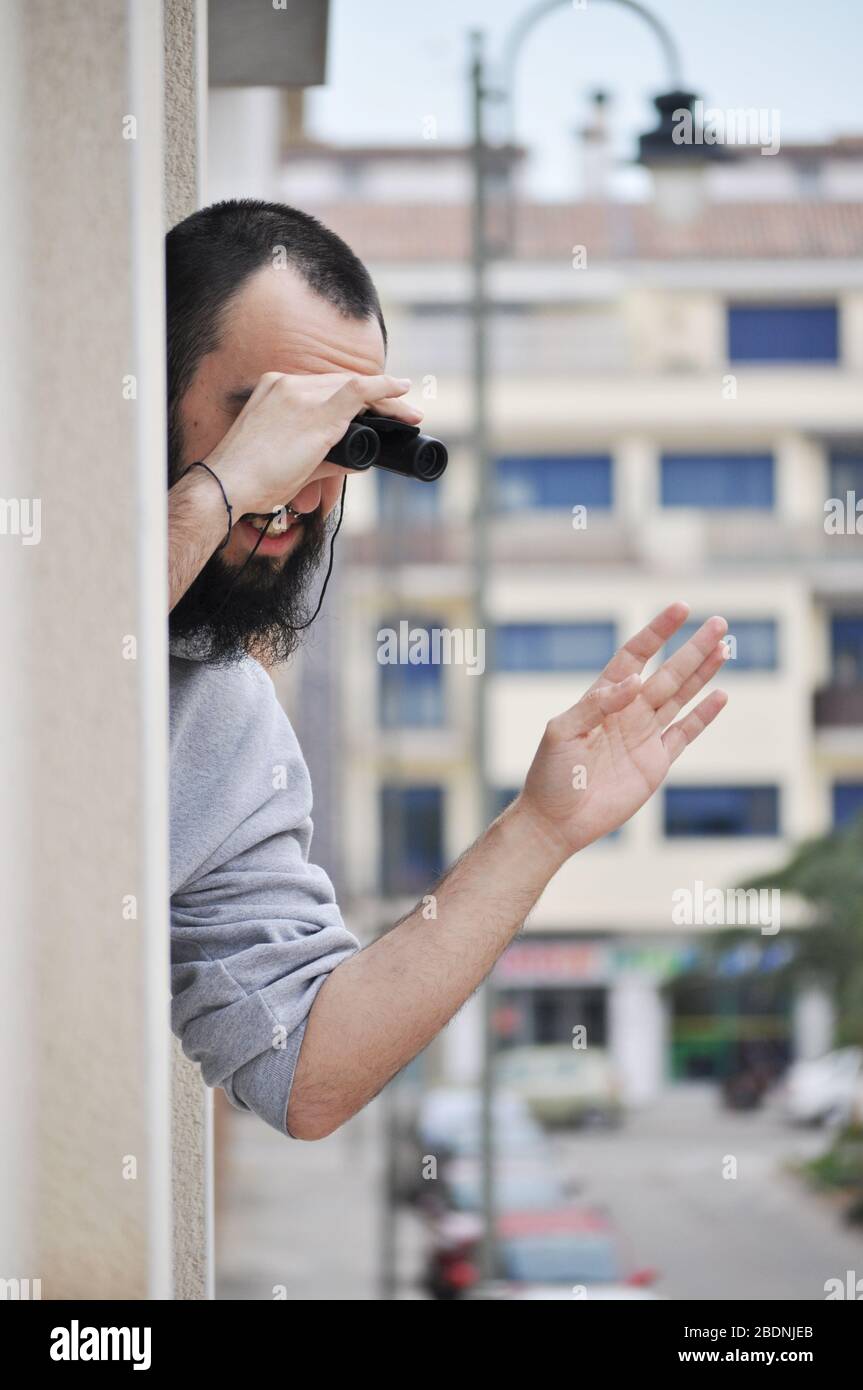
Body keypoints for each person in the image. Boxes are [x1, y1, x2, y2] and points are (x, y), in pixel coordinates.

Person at [166, 199, 729, 1141]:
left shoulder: (218, 714)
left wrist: (538, 832)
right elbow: (44, 683)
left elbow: (305, 1070)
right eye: (269, 416)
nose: (300, 486)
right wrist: (218, 492)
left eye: (340, 435)